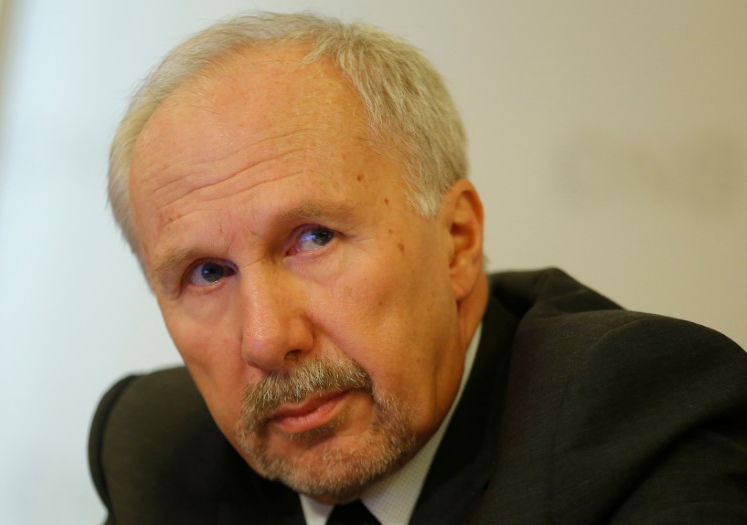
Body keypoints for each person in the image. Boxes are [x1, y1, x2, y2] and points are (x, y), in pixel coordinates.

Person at [89, 12, 747, 525]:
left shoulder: (631, 412)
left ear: (457, 240)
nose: (265, 339)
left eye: (313, 238)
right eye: (206, 273)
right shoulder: (156, 448)